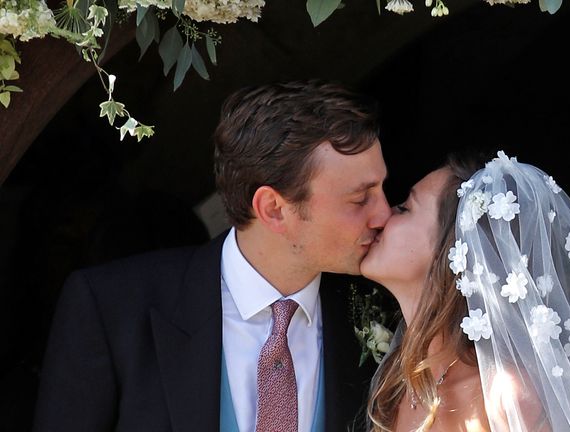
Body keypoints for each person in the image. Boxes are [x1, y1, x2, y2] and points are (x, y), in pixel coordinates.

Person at [33, 79, 391, 432]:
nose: (384, 215)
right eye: (360, 199)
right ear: (273, 209)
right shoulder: (111, 309)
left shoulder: (386, 316)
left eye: (381, 190)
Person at [361, 151, 570, 431]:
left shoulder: (509, 396)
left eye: (406, 207)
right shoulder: (396, 379)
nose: (385, 214)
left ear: (450, 252)